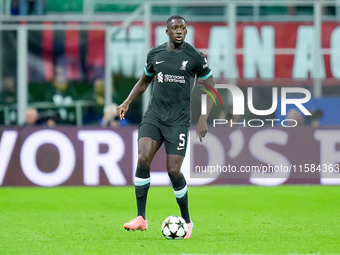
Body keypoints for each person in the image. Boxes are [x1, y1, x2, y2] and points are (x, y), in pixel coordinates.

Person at [117, 15, 216, 239]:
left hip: (178, 121)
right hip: (154, 116)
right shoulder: (155, 54)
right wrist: (127, 101)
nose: (179, 31)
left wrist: (203, 116)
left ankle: (187, 221)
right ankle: (141, 218)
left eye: (183, 28)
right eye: (175, 28)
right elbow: (144, 81)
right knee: (143, 158)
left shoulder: (195, 57)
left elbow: (211, 86)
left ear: (186, 31)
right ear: (167, 31)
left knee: (173, 171)